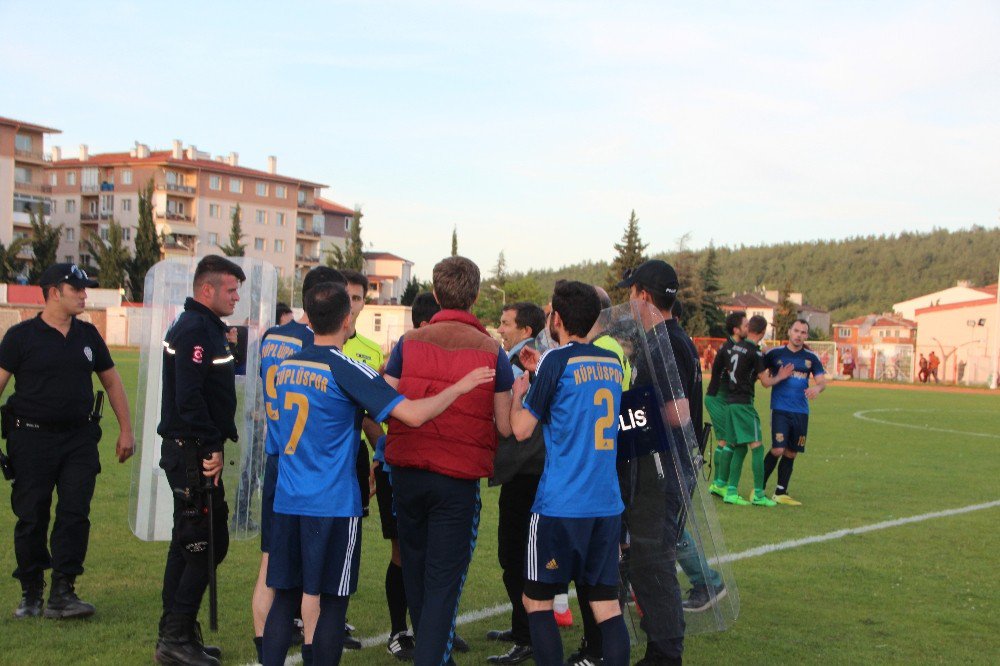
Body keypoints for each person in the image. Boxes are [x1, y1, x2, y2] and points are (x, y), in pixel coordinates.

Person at [262, 282, 495, 666]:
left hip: (287, 499)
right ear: (347, 319)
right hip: (332, 504)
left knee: (285, 597)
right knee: (334, 600)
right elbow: (414, 415)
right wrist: (461, 386)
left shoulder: (288, 364)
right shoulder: (346, 368)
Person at [383, 256, 514, 666]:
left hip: (407, 471)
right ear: (475, 297)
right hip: (455, 480)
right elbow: (506, 426)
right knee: (441, 582)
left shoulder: (409, 343)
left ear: (437, 293)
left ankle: (435, 656)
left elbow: (383, 402)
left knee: (418, 575)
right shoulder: (492, 351)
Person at [0, 263, 135, 619]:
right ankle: (31, 593)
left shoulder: (88, 336)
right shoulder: (21, 337)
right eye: (76, 288)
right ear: (53, 291)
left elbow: (112, 382)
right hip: (30, 439)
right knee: (31, 516)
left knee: (75, 514)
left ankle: (64, 591)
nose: (83, 294)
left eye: (84, 288)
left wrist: (126, 430)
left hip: (78, 439)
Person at [509, 281, 631, 666]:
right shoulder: (612, 363)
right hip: (606, 503)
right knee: (606, 605)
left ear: (556, 318)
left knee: (537, 601)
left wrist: (518, 394)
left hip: (561, 504)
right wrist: (543, 368)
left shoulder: (557, 362)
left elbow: (522, 429)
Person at [252, 266, 346, 664]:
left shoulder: (272, 337)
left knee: (271, 568)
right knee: (313, 584)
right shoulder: (317, 344)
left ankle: (265, 650)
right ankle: (313, 648)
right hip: (310, 468)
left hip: (278, 458)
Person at [155, 255, 246, 666]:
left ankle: (177, 632)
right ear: (206, 290)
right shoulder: (195, 329)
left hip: (191, 448)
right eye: (230, 290)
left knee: (189, 541)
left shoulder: (204, 327)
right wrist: (210, 444)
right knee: (204, 542)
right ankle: (176, 637)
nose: (236, 297)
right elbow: (188, 398)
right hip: (192, 451)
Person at [615, 259, 705, 665]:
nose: (628, 301)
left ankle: (665, 654)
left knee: (653, 561)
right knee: (646, 559)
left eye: (631, 293)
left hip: (662, 469)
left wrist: (624, 412)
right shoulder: (671, 338)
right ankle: (660, 647)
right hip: (664, 467)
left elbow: (677, 413)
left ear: (643, 296)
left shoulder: (665, 342)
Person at [487, 301, 547, 665]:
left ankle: (527, 635)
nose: (501, 327)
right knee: (518, 556)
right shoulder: (540, 359)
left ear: (526, 330)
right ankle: (521, 625)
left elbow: (510, 426)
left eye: (507, 323)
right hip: (531, 472)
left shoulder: (518, 362)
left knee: (515, 557)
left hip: (526, 472)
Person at [721, 315, 792, 507]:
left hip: (730, 402)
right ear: (762, 332)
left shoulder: (736, 347)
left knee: (738, 446)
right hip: (744, 403)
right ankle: (759, 494)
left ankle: (731, 491)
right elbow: (767, 382)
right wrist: (782, 375)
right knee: (757, 447)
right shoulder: (755, 353)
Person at [762, 319, 827, 506]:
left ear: (807, 335)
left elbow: (822, 381)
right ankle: (759, 488)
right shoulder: (775, 354)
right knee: (777, 449)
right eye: (796, 331)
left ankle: (780, 492)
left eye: (803, 332)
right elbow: (761, 373)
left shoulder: (811, 358)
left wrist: (817, 388)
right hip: (780, 409)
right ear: (789, 332)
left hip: (801, 411)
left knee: (791, 452)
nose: (799, 335)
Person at [706, 311, 748, 498]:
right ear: (736, 329)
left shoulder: (738, 347)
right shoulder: (728, 349)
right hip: (717, 398)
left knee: (726, 439)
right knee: (726, 439)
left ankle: (718, 482)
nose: (749, 328)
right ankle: (719, 483)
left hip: (725, 398)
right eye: (746, 325)